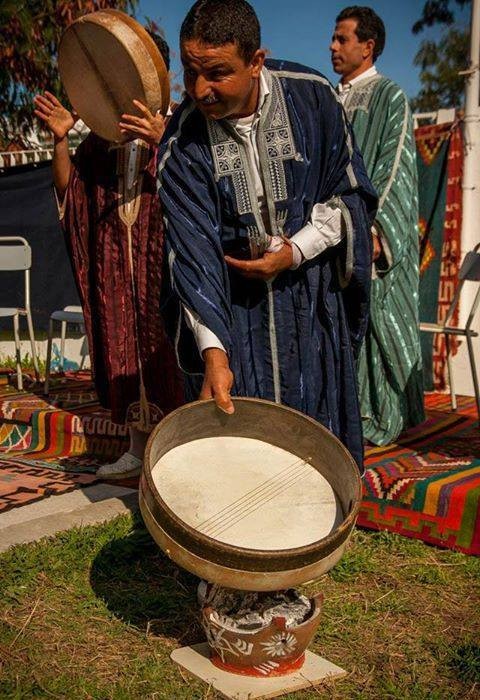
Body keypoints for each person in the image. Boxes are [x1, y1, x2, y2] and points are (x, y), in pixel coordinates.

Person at [157, 0, 377, 471]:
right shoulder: (182, 142)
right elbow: (191, 252)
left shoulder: (313, 98)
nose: (199, 89)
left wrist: (296, 250)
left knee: (314, 428)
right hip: (234, 313)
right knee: (241, 446)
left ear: (257, 61)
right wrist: (214, 355)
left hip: (309, 303)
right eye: (190, 71)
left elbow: (353, 195)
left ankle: (319, 529)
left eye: (216, 73)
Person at [34, 34, 183, 478]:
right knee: (123, 346)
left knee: (172, 353)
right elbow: (72, 195)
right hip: (117, 267)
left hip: (166, 269)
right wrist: (61, 141)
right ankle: (136, 449)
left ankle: (179, 452)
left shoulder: (184, 127)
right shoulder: (100, 140)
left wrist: (167, 139)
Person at [330, 6, 424, 445]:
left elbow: (397, 166)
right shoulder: (329, 98)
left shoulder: (390, 96)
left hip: (371, 236)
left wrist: (375, 230)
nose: (333, 46)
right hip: (331, 235)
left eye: (342, 39)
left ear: (367, 47)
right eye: (333, 38)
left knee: (374, 326)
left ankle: (376, 415)